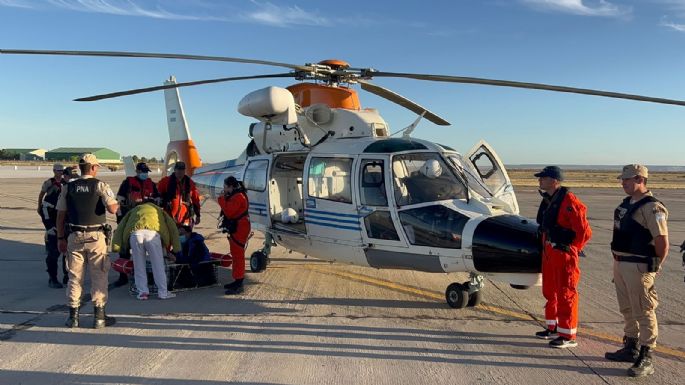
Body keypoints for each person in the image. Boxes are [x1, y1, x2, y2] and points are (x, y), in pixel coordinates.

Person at [605, 164, 669, 377]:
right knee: (628, 308)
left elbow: (662, 242)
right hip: (621, 263)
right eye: (622, 179)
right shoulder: (627, 204)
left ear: (640, 179)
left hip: (639, 265)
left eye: (627, 179)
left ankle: (646, 355)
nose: (623, 183)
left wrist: (655, 267)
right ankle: (630, 346)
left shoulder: (652, 207)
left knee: (644, 310)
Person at [56, 154, 118, 329]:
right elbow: (113, 209)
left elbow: (60, 215)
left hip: (74, 236)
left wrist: (60, 238)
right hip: (95, 236)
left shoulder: (68, 187)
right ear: (92, 168)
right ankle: (99, 317)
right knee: (99, 275)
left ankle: (73, 317)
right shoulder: (100, 185)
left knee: (74, 277)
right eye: (96, 166)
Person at [533, 166, 592, 348]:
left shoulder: (569, 201)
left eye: (543, 178)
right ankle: (552, 327)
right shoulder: (548, 199)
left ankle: (568, 335)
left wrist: (571, 248)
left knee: (566, 293)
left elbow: (584, 232)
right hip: (549, 251)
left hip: (563, 253)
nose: (540, 180)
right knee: (550, 291)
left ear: (555, 181)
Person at [111, 202, 181, 300]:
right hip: (152, 234)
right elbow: (172, 228)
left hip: (135, 235)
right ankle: (163, 292)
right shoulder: (159, 210)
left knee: (139, 265)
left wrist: (116, 247)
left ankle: (142, 292)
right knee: (158, 265)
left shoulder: (133, 210)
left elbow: (120, 227)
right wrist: (177, 248)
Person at [113, 162, 159, 287]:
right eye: (143, 171)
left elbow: (159, 200)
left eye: (146, 172)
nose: (145, 174)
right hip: (129, 220)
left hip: (147, 222)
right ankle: (123, 276)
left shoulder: (152, 185)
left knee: (150, 249)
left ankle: (150, 275)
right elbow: (119, 201)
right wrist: (120, 219)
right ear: (137, 171)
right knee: (124, 249)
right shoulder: (127, 183)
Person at [217, 176, 251, 295]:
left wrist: (221, 199)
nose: (224, 189)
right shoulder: (237, 195)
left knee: (238, 255)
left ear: (231, 186)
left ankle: (239, 282)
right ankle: (237, 280)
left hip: (240, 228)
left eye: (225, 187)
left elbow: (229, 211)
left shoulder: (238, 197)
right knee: (236, 254)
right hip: (238, 227)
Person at [38, 163, 67, 288]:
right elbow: (42, 197)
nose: (60, 173)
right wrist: (49, 226)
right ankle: (53, 278)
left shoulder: (67, 186)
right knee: (53, 254)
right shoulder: (50, 184)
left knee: (68, 254)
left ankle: (67, 275)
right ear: (54, 171)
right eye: (58, 171)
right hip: (53, 222)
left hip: (65, 224)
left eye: (62, 171)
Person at [157, 161, 201, 226]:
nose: (180, 172)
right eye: (178, 169)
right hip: (169, 217)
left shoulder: (190, 183)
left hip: (185, 218)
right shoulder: (165, 181)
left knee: (185, 235)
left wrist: (198, 215)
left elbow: (195, 200)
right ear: (174, 170)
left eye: (182, 170)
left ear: (184, 171)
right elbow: (158, 195)